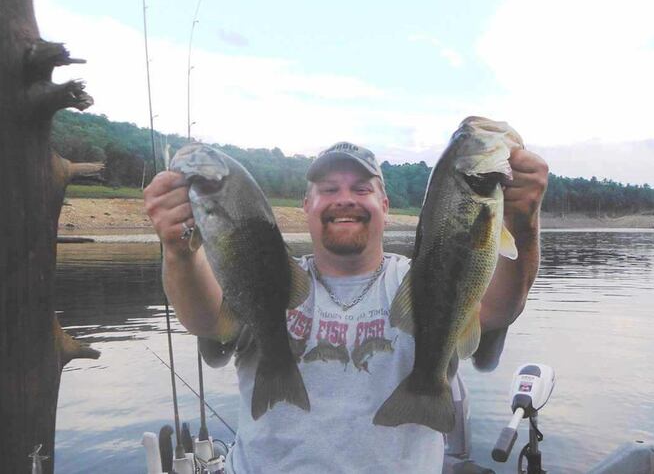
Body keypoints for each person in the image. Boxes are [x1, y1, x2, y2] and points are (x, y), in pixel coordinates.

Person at [143, 123, 548, 473]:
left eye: (361, 188)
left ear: (384, 206)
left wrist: (524, 225)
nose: (345, 199)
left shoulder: (422, 279)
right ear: (306, 206)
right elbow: (204, 318)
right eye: (328, 188)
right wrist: (179, 250)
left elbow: (499, 309)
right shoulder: (268, 277)